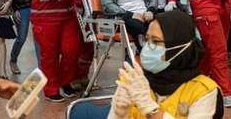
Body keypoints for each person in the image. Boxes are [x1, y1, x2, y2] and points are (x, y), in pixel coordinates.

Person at [68, 11, 222, 119]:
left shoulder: (203, 91)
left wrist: (151, 109)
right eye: (146, 39)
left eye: (156, 42)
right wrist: (119, 114)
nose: (147, 47)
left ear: (181, 47)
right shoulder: (136, 80)